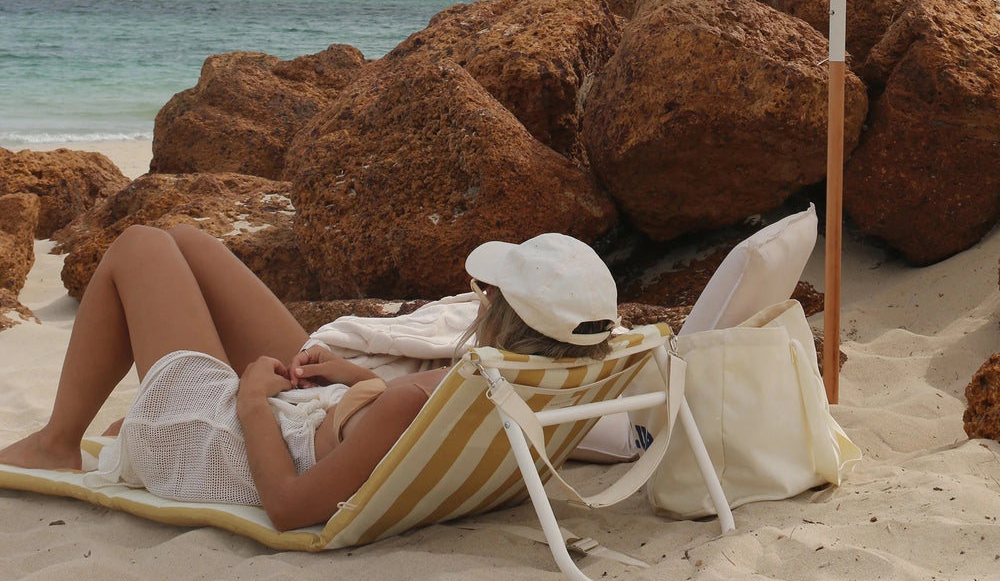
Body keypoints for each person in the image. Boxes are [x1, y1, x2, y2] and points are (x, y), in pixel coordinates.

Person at [0, 225, 618, 532]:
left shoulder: (423, 397)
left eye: (488, 296)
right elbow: (383, 433)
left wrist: (247, 402)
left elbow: (290, 508)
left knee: (140, 245)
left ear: (499, 315)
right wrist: (352, 384)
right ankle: (113, 420)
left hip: (222, 445)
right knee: (185, 240)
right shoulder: (536, 377)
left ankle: (56, 443)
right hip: (311, 410)